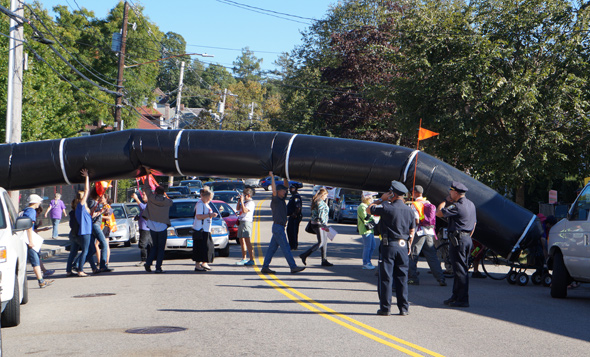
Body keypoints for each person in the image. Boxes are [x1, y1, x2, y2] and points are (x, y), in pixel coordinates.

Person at [367, 181, 415, 316]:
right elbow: (412, 231)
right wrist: (409, 245)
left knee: (386, 277)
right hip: (403, 246)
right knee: (402, 278)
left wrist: (380, 199)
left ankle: (385, 308)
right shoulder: (409, 210)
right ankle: (404, 308)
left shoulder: (386, 207)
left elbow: (368, 209)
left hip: (389, 246)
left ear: (392, 193)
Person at [436, 181, 477, 308]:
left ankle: (463, 299)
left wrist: (445, 201)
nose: (449, 193)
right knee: (459, 269)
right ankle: (456, 296)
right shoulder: (471, 204)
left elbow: (438, 212)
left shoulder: (457, 206)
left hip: (459, 240)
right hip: (465, 239)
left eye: (450, 191)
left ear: (455, 192)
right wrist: (467, 236)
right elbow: (474, 224)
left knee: (460, 270)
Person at [260, 172, 305, 275]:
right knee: (286, 248)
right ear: (279, 191)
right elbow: (274, 190)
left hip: (279, 227)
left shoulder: (281, 199)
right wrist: (272, 177)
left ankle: (265, 267)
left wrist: (285, 176)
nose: (285, 192)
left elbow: (286, 185)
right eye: (283, 191)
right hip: (278, 227)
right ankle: (293, 267)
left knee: (271, 249)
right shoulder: (275, 199)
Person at [408, 185, 446, 286]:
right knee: (432, 256)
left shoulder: (415, 204)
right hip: (430, 232)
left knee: (413, 255)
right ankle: (441, 278)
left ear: (415, 193)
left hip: (419, 232)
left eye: (412, 192)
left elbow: (416, 220)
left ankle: (412, 278)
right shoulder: (428, 203)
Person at [142, 168, 173, 273]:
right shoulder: (167, 202)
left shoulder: (151, 197)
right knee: (161, 248)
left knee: (154, 246)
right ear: (163, 193)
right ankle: (158, 267)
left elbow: (146, 187)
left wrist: (147, 175)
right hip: (162, 226)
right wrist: (164, 196)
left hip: (152, 225)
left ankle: (148, 263)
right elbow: (171, 202)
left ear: (155, 192)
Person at [22, 194, 54, 288]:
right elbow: (28, 227)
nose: (40, 203)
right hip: (29, 239)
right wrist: (31, 241)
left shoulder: (25, 210)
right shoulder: (31, 211)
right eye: (39, 201)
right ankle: (41, 281)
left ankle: (42, 279)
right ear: (35, 202)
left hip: (26, 238)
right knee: (35, 260)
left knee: (36, 258)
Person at [299, 187, 333, 267]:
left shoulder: (317, 201)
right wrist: (325, 225)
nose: (326, 197)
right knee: (321, 242)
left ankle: (324, 260)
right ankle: (304, 255)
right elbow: (321, 216)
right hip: (319, 224)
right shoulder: (320, 203)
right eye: (326, 195)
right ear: (322, 195)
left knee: (324, 242)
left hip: (316, 223)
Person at [192, 187, 217, 271]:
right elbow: (198, 216)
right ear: (204, 196)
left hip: (206, 229)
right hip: (201, 229)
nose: (209, 200)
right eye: (208, 198)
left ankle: (203, 263)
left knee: (206, 247)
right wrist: (210, 215)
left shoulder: (205, 203)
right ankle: (199, 264)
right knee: (201, 247)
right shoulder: (200, 204)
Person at [75, 168, 94, 277]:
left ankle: (78, 264)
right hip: (85, 231)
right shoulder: (81, 206)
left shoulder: (81, 207)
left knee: (91, 250)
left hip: (87, 231)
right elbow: (87, 190)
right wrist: (87, 177)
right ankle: (79, 269)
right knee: (86, 251)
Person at [88, 191, 113, 273]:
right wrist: (101, 213)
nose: (101, 198)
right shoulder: (95, 203)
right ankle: (103, 264)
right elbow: (92, 214)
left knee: (96, 246)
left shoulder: (104, 205)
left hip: (101, 226)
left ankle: (101, 264)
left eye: (102, 197)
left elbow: (109, 217)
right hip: (97, 225)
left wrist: (102, 213)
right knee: (103, 244)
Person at [235, 188, 256, 266]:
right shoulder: (245, 202)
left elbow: (244, 211)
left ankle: (251, 259)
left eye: (244, 195)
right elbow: (237, 208)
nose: (243, 196)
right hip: (241, 221)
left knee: (247, 241)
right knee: (241, 241)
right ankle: (244, 258)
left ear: (249, 195)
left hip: (246, 222)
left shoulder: (250, 203)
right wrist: (239, 201)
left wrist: (242, 203)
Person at [132, 190, 152, 266]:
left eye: (144, 195)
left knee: (143, 244)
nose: (142, 196)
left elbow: (143, 207)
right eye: (142, 194)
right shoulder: (146, 204)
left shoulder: (149, 204)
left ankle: (144, 260)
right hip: (144, 227)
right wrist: (138, 217)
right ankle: (149, 259)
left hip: (146, 228)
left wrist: (136, 198)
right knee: (148, 244)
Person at [358, 193, 377, 270]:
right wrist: (370, 211)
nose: (371, 200)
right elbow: (365, 218)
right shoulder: (362, 206)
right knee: (368, 247)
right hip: (365, 229)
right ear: (366, 199)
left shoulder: (366, 206)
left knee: (372, 246)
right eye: (370, 199)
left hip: (370, 229)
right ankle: (366, 262)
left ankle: (368, 261)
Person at [286, 184, 303, 250]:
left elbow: (298, 207)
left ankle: (294, 245)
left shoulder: (296, 197)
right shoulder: (292, 196)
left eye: (292, 188)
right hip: (291, 216)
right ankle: (291, 244)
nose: (291, 190)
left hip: (295, 217)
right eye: (290, 188)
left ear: (296, 189)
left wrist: (295, 214)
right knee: (289, 230)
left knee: (293, 231)